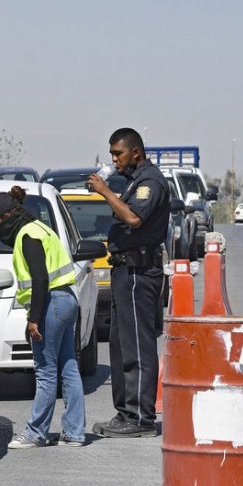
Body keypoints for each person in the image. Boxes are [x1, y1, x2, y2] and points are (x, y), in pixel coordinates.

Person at [0, 186, 86, 448]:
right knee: (68, 367)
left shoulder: (27, 236)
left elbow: (40, 279)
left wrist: (34, 318)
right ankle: (75, 433)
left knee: (45, 371)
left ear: (8, 215)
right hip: (67, 299)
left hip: (50, 303)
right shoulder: (42, 229)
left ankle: (35, 432)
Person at [86, 127, 170, 438]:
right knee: (121, 346)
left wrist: (105, 192)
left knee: (137, 345)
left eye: (117, 153)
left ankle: (140, 419)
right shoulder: (134, 181)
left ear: (135, 152)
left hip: (139, 273)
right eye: (111, 154)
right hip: (124, 272)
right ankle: (125, 414)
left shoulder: (150, 181)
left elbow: (134, 219)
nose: (113, 159)